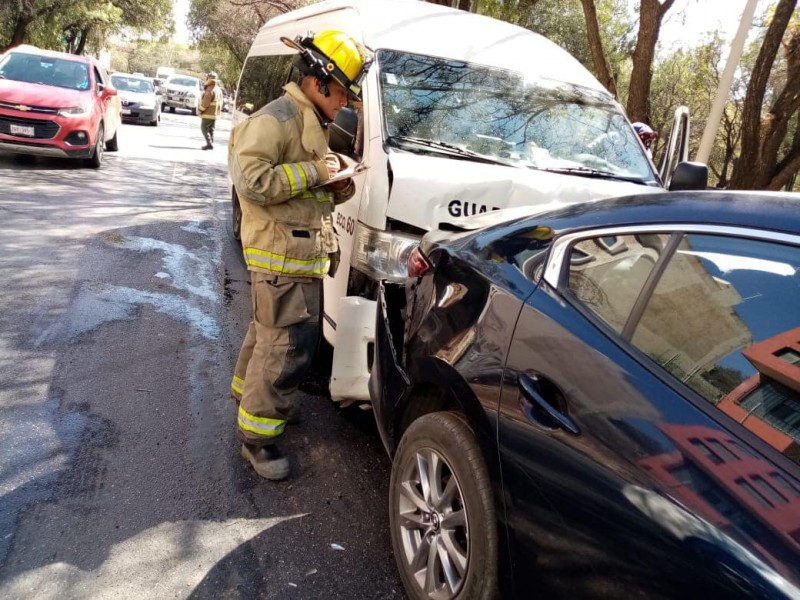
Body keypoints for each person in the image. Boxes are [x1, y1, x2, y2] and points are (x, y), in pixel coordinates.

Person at [227, 30, 367, 480]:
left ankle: (248, 398)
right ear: (320, 81)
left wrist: (337, 184)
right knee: (285, 348)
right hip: (278, 255)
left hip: (296, 257)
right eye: (342, 90)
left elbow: (305, 194)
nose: (346, 101)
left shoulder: (311, 121)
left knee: (268, 334)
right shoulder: (277, 119)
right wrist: (315, 171)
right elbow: (252, 182)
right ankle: (258, 438)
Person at [199, 72, 223, 150]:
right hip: (215, 114)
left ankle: (209, 144)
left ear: (209, 79)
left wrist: (200, 109)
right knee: (211, 129)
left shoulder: (210, 89)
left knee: (203, 128)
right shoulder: (218, 89)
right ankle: (211, 143)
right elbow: (221, 102)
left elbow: (205, 102)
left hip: (207, 114)